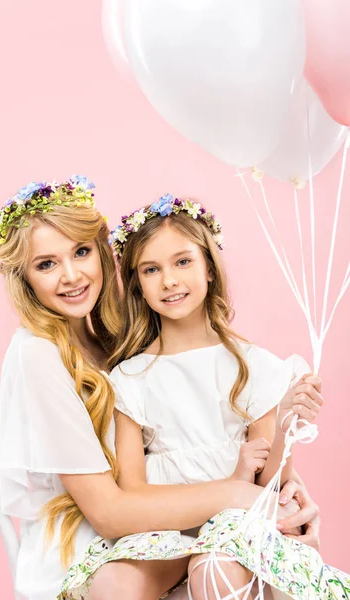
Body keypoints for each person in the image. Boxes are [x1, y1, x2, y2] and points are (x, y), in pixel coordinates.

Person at [0, 179, 321, 600]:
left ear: (104, 253)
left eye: (82, 252)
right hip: (95, 540)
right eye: (46, 264)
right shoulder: (38, 355)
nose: (71, 276)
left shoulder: (115, 340)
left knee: (231, 564)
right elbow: (108, 512)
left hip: (175, 525)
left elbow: (223, 434)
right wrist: (243, 496)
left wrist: (288, 498)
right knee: (129, 580)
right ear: (24, 277)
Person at [61, 193, 350, 599]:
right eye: (151, 269)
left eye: (183, 261)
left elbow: (270, 482)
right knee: (111, 582)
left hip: (236, 527)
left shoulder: (254, 366)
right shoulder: (130, 378)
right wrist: (227, 483)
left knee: (214, 570)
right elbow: (133, 489)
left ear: (209, 268)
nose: (170, 280)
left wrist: (286, 422)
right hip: (163, 527)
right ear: (138, 285)